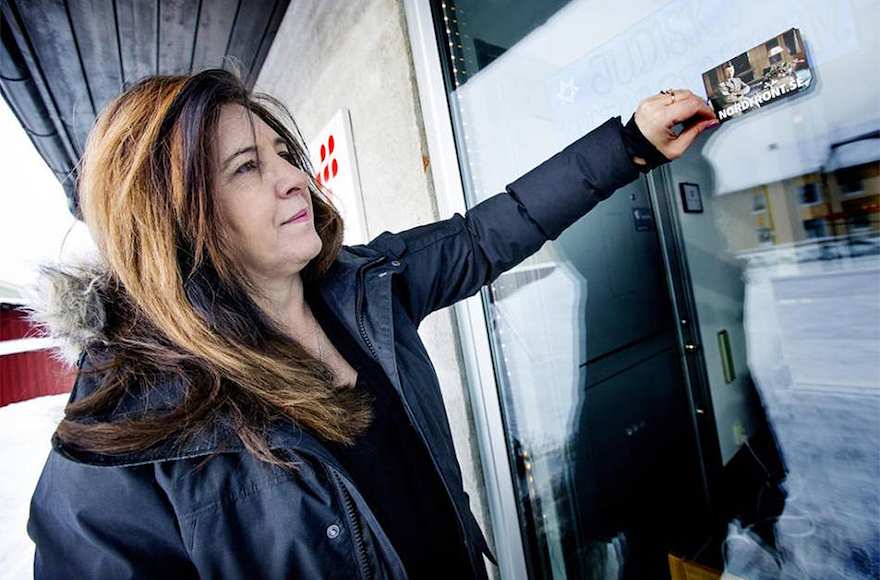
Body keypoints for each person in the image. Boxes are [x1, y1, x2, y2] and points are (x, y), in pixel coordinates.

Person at [25, 69, 717, 579]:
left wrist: (630, 147)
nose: (293, 178)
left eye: (283, 154)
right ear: (177, 221)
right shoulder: (120, 446)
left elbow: (483, 237)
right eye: (246, 168)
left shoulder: (361, 287)